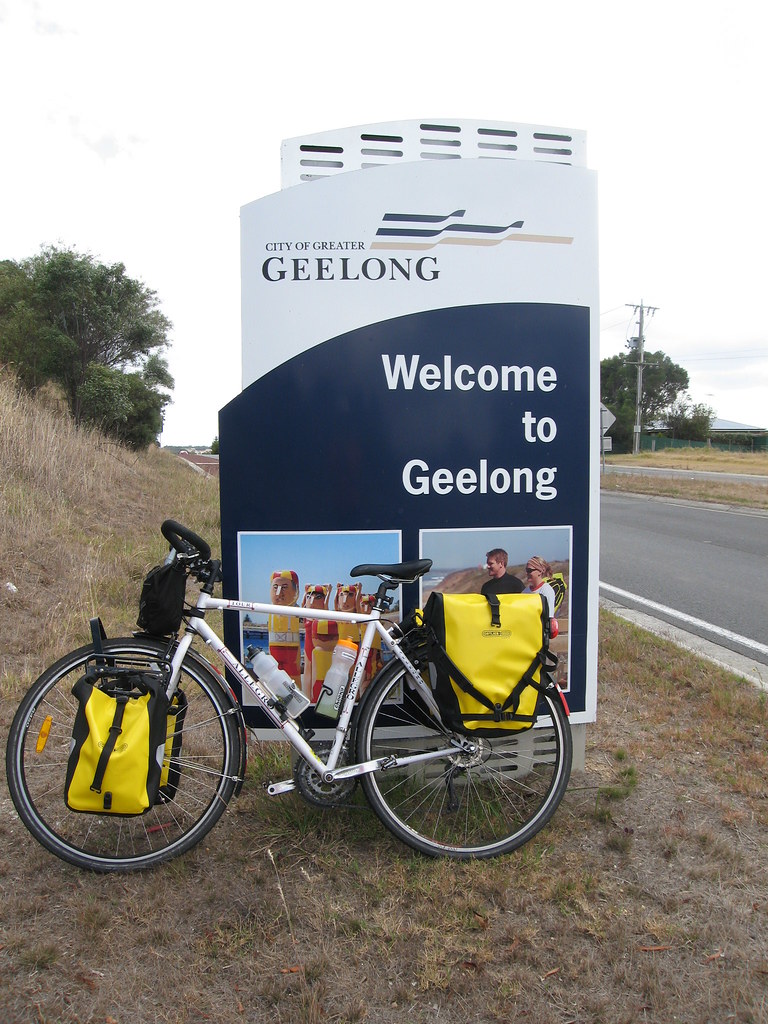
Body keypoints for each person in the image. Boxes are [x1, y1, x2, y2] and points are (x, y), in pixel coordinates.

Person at [522, 556, 559, 636]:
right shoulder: (525, 592)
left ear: (540, 571)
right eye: (526, 570)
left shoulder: (546, 590)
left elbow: (549, 616)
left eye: (529, 570)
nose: (527, 573)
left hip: (539, 634)